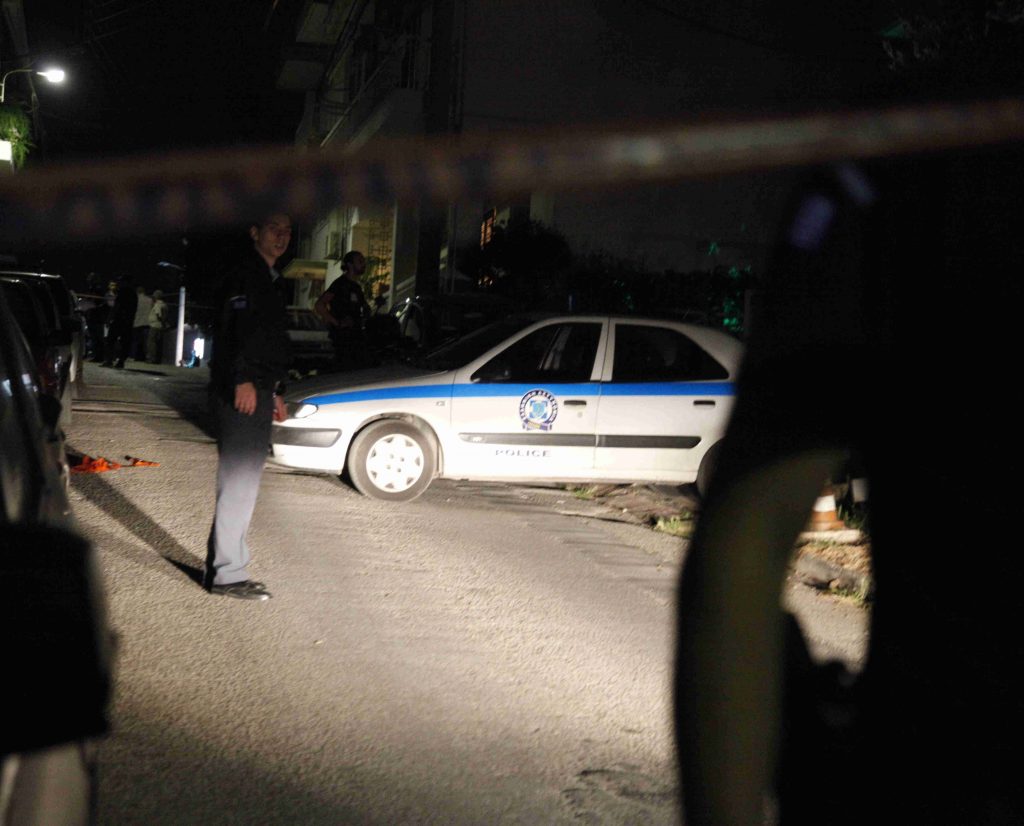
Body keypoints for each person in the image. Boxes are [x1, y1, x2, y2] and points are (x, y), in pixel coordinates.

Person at [205, 213, 293, 601]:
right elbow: (232, 330)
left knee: (245, 482)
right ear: (254, 232)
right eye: (274, 228)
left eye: (287, 231)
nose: (282, 236)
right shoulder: (244, 274)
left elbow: (269, 341)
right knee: (239, 481)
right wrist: (242, 378)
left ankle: (227, 567)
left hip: (260, 388)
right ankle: (227, 574)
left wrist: (275, 389)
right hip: (242, 388)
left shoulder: (270, 279)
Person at [313, 250, 372, 370]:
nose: (364, 264)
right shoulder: (339, 284)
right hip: (342, 339)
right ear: (350, 265)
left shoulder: (357, 287)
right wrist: (337, 323)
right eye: (360, 261)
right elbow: (319, 305)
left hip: (356, 337)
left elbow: (364, 308)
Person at [102, 275, 137, 368]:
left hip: (119, 319)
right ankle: (121, 361)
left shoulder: (122, 292)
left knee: (111, 340)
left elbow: (116, 306)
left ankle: (109, 360)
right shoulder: (133, 293)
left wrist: (109, 318)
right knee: (124, 342)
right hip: (128, 320)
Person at [146, 289, 170, 364]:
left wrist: (161, 321)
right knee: (158, 343)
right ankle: (157, 359)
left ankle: (152, 358)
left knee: (151, 342)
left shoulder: (157, 304)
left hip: (155, 325)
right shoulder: (164, 305)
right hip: (160, 326)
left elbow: (158, 314)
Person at [131, 285, 153, 361]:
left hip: (136, 322)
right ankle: (145, 356)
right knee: (145, 341)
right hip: (147, 323)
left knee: (136, 341)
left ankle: (134, 356)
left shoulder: (135, 300)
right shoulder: (150, 300)